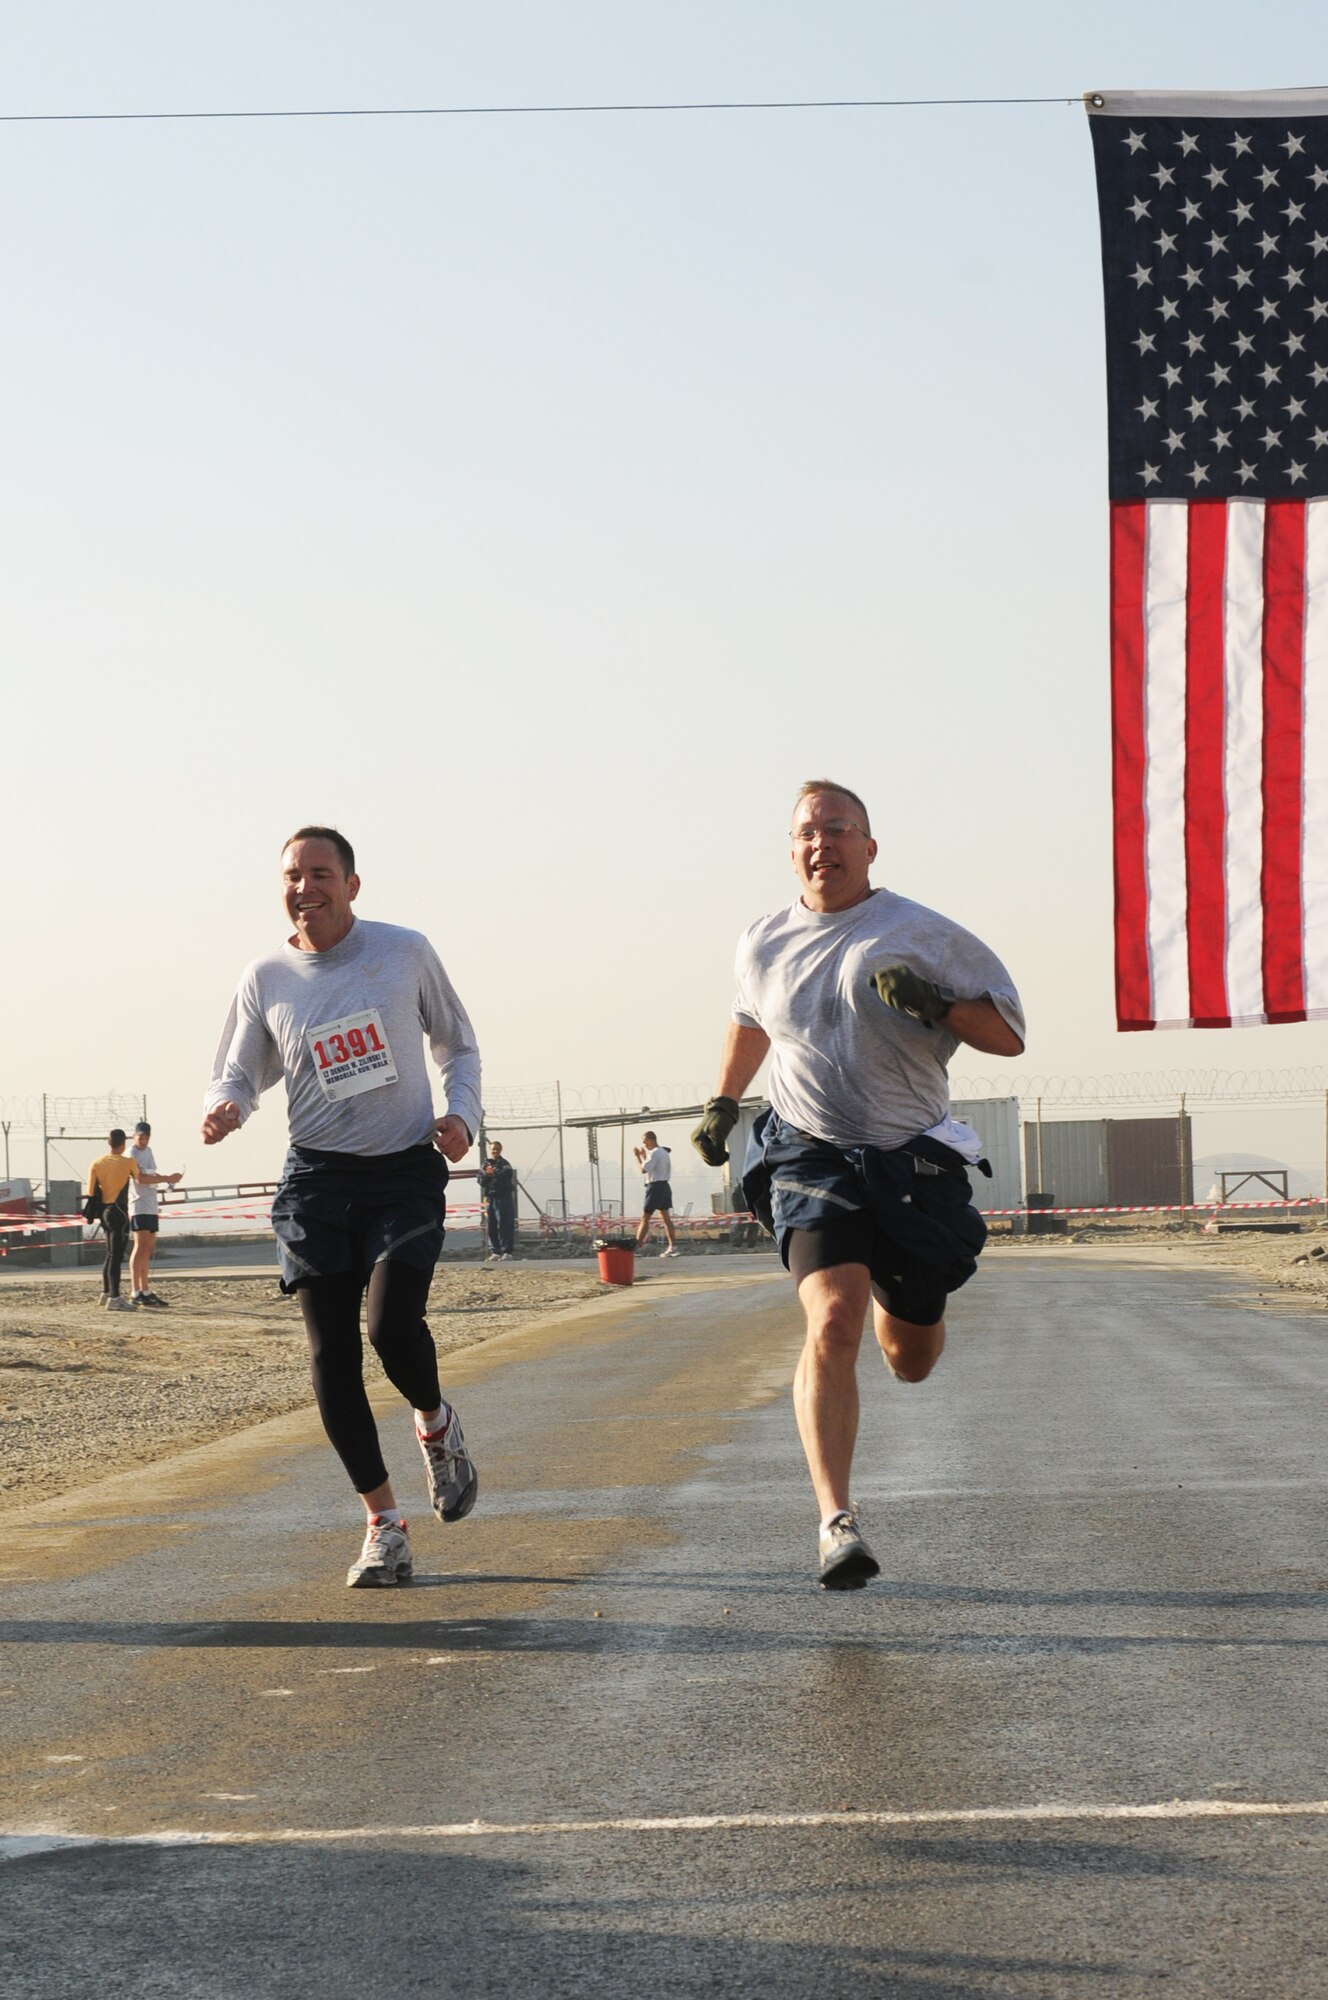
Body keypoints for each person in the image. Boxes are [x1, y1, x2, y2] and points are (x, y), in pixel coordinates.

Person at [692, 780, 1024, 1590]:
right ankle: (836, 1522)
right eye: (808, 831)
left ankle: (900, 1295)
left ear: (869, 848)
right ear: (792, 848)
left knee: (909, 1357)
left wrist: (941, 1004)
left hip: (910, 1158)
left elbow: (1010, 1035)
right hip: (810, 1150)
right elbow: (748, 1022)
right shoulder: (762, 940)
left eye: (839, 830)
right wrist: (724, 1099)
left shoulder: (922, 932)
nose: (822, 844)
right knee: (831, 1318)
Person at [202, 825, 484, 1589]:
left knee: (389, 1327)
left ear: (352, 885)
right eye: (293, 876)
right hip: (317, 1181)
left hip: (403, 1172)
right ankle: (384, 1528)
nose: (306, 888)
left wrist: (461, 1114)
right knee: (331, 1353)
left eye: (321, 874)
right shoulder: (267, 976)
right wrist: (226, 1107)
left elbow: (458, 1044)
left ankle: (435, 1422)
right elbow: (239, 1071)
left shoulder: (403, 952)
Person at [86, 1129, 175, 1312]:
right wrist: (167, 1178)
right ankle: (115, 1297)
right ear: (123, 1143)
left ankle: (106, 1292)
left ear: (108, 1142)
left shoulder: (96, 1162)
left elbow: (91, 1191)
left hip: (103, 1212)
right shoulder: (128, 1162)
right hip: (119, 1210)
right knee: (116, 1255)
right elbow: (140, 1178)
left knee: (109, 1253)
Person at [128, 1120, 183, 1307]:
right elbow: (140, 1177)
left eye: (146, 1137)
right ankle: (135, 1290)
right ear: (134, 1136)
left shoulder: (148, 1152)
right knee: (140, 1246)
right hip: (139, 1205)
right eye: (140, 1137)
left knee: (148, 1248)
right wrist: (167, 1178)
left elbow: (151, 1175)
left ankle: (145, 1289)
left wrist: (168, 1180)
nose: (143, 1141)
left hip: (151, 1204)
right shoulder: (132, 1154)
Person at [633, 1131, 679, 1257]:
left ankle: (636, 1247)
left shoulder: (654, 1153)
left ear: (650, 1139)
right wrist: (644, 1157)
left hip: (655, 1187)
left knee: (645, 1217)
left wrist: (637, 1157)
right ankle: (672, 1246)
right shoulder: (663, 1152)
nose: (644, 1144)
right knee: (666, 1218)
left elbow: (643, 1169)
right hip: (664, 1186)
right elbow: (652, 1168)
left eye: (644, 1141)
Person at [480, 1140, 517, 1260]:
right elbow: (481, 1179)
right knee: (491, 1225)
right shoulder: (486, 1164)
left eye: (497, 1149)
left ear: (500, 1150)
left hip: (503, 1197)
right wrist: (487, 1176)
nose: (494, 1151)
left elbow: (505, 1176)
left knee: (504, 1224)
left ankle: (507, 1251)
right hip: (491, 1198)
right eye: (492, 1149)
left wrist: (493, 1175)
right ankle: (495, 1251)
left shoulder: (505, 1164)